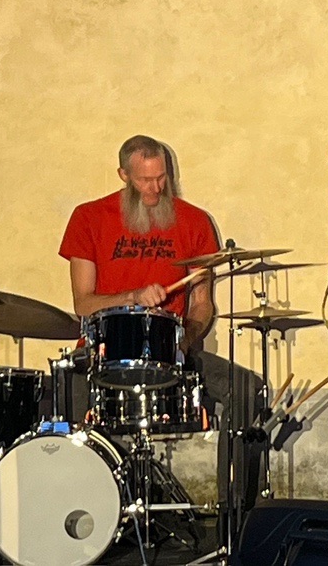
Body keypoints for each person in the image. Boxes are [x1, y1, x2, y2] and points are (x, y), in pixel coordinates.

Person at [58, 135, 262, 532]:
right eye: (144, 180)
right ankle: (83, 522)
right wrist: (133, 296)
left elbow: (201, 303)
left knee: (247, 390)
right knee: (64, 402)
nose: (155, 188)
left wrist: (187, 340)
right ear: (123, 175)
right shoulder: (89, 217)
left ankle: (235, 517)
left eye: (161, 178)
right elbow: (82, 303)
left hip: (170, 350)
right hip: (103, 351)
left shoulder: (195, 221)